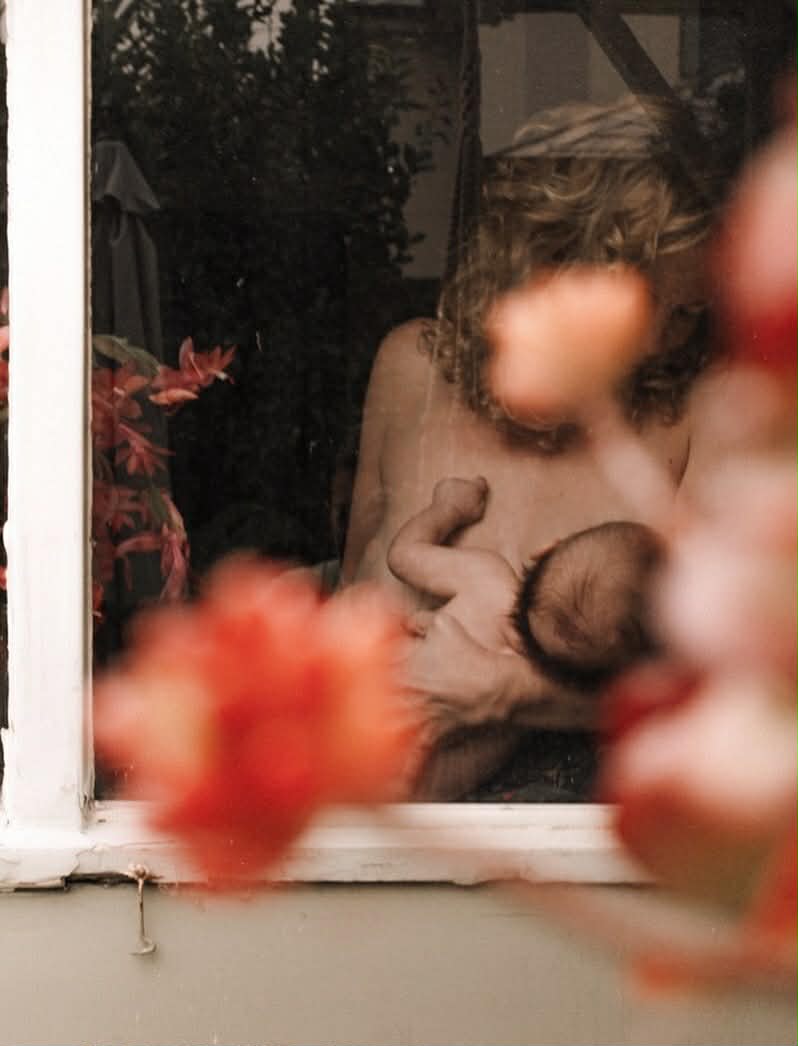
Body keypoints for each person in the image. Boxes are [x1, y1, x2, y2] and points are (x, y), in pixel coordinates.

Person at [341, 94, 726, 790]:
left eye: (688, 314)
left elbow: (718, 699)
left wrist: (505, 691)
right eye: (649, 305)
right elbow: (349, 591)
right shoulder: (411, 369)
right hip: (357, 820)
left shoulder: (694, 421)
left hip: (553, 844)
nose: (664, 342)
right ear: (559, 264)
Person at [387, 475, 664, 798]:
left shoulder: (487, 578)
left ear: (545, 549)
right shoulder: (532, 710)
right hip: (395, 787)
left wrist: (448, 509)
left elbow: (403, 556)